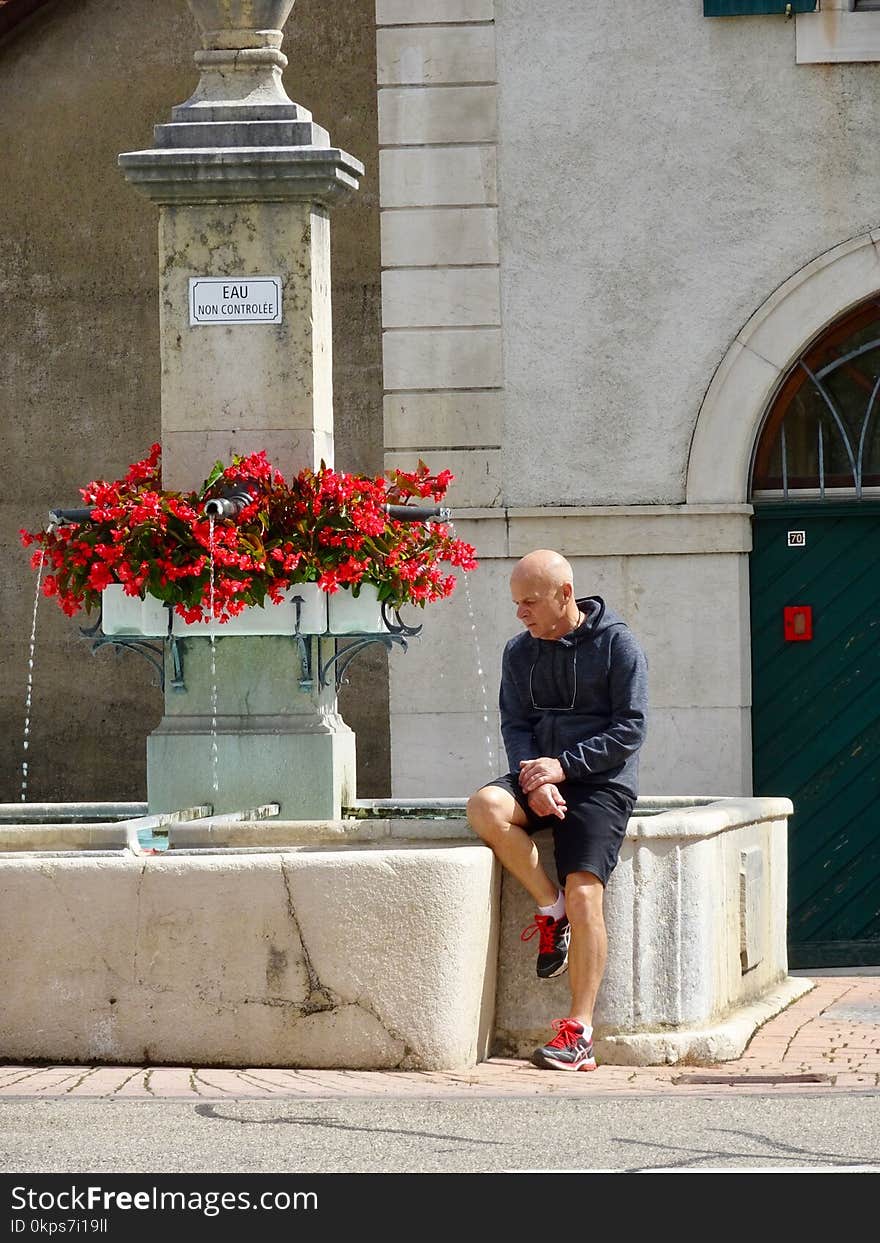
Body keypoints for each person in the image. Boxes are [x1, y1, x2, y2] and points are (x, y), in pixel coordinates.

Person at [467, 549, 648, 1072]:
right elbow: (515, 725)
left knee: (586, 892)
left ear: (565, 595)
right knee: (485, 806)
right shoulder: (518, 652)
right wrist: (533, 776)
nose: (521, 613)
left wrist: (562, 769)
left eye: (530, 602)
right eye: (515, 603)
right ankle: (550, 909)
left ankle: (580, 1033)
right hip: (540, 776)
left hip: (601, 785)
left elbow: (630, 728)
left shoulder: (618, 644)